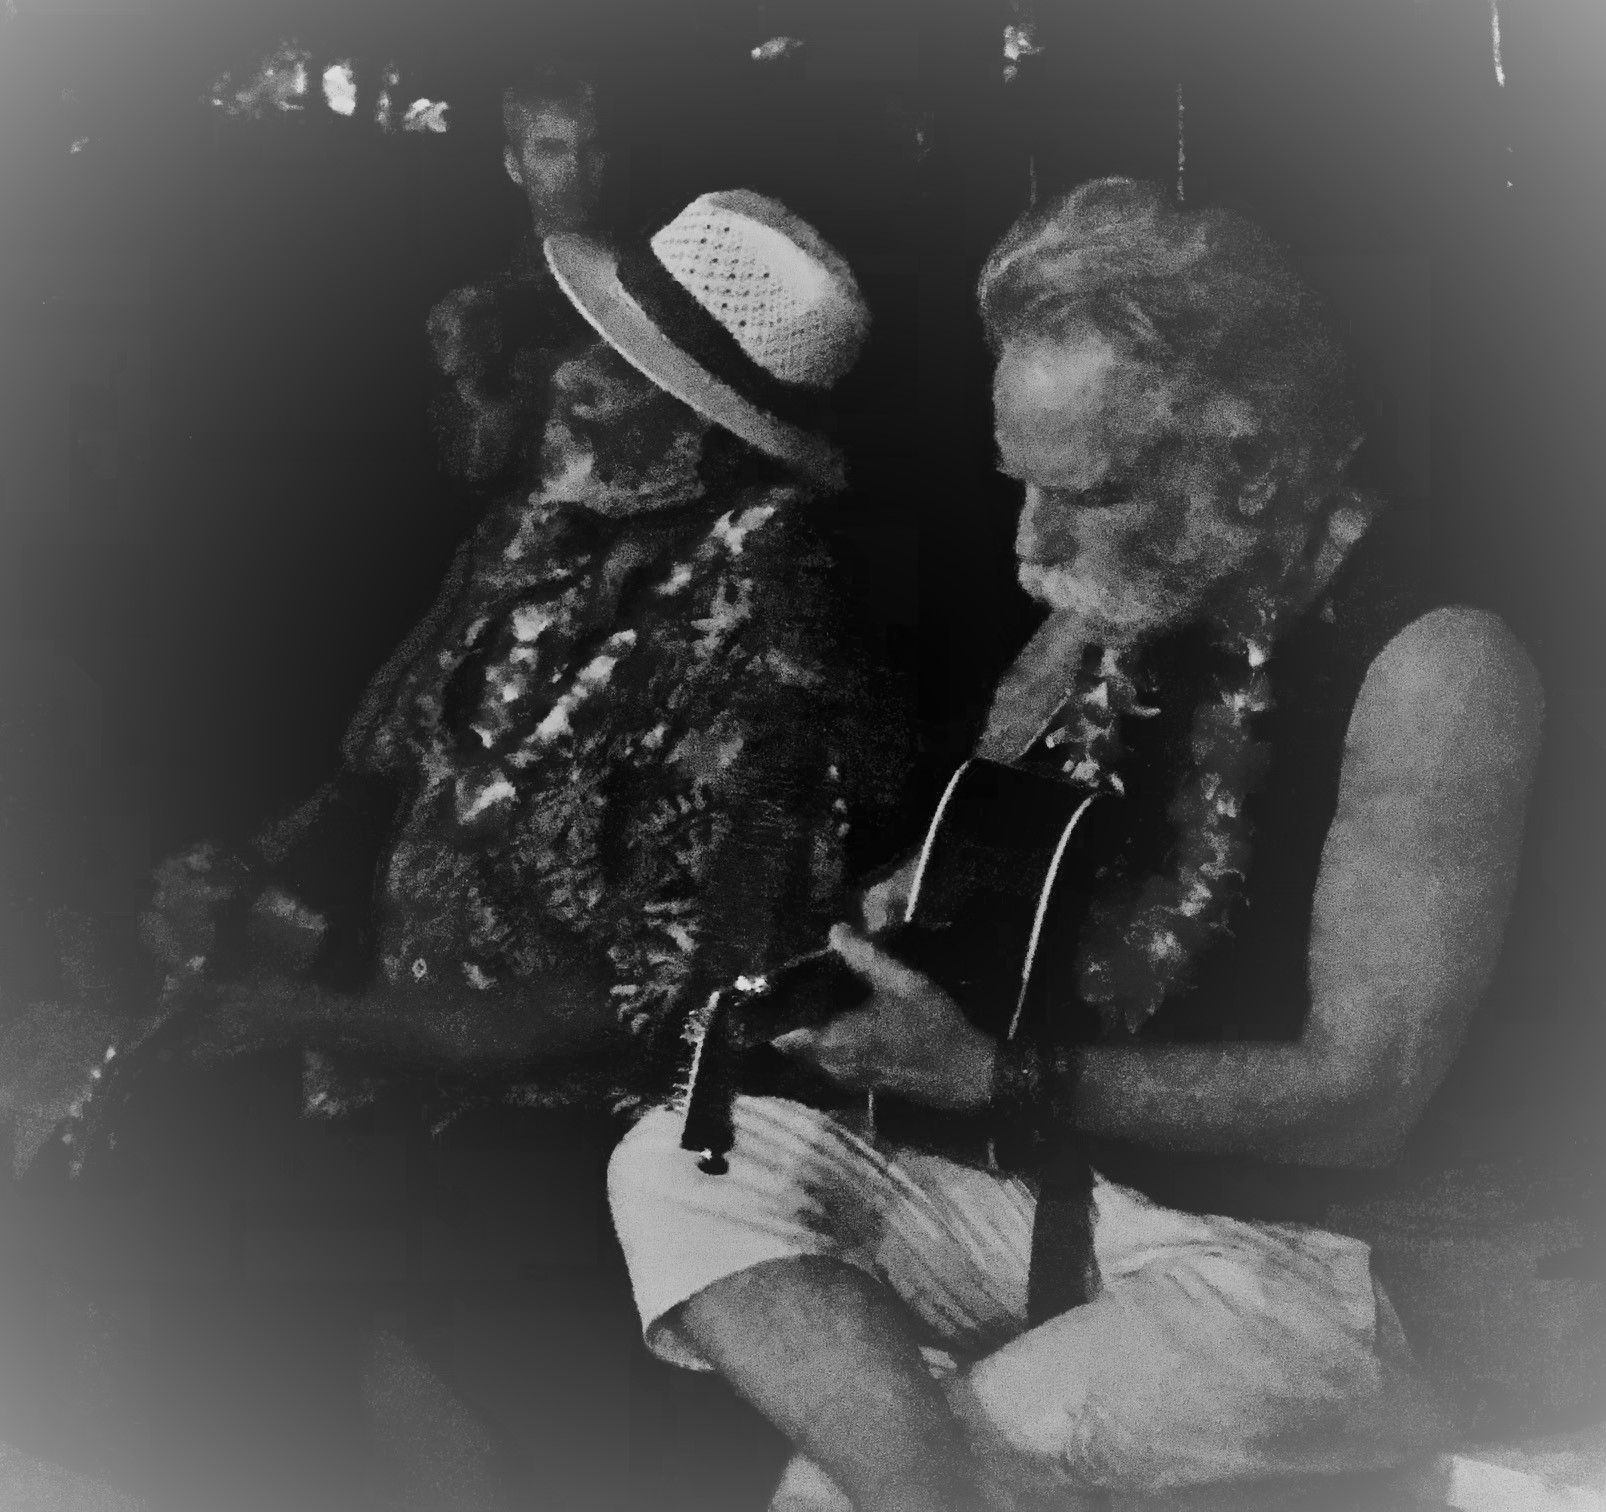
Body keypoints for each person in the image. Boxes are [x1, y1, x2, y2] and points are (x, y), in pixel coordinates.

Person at [606, 178, 1545, 1512]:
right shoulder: (1131, 589)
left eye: (1083, 492)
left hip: (1293, 1269)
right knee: (683, 1153)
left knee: (831, 1495)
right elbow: (1001, 846)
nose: (1028, 543)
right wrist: (920, 903)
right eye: (1018, 484)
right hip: (1052, 1200)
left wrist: (992, 1073)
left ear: (1254, 469)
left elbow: (1364, 1098)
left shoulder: (1436, 666)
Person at [48, 188, 905, 1155]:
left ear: (709, 429)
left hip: (564, 1143)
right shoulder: (548, 529)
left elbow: (667, 1004)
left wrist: (303, 1020)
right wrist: (248, 875)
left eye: (618, 364)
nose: (567, 380)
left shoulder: (777, 638)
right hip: (378, 1044)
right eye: (588, 344)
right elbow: (392, 766)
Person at [424, 61, 608, 493]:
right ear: (514, 164)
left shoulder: (654, 265)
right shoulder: (482, 307)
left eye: (591, 148)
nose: (576, 169)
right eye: (550, 150)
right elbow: (469, 473)